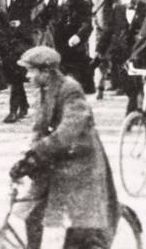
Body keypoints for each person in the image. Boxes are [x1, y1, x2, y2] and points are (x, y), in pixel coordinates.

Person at [10, 46, 119, 249]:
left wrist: (39, 151)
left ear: (46, 71)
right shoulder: (41, 91)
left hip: (80, 164)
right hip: (56, 159)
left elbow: (69, 130)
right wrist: (28, 156)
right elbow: (38, 128)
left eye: (30, 71)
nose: (27, 76)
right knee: (31, 211)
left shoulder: (70, 89)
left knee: (81, 229)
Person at [0, 0, 37, 122]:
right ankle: (24, 105)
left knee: (15, 74)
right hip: (5, 42)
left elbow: (35, 19)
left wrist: (21, 24)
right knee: (12, 75)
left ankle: (13, 110)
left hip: (22, 41)